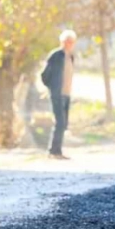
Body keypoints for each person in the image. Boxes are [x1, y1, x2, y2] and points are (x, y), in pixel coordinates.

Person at [40, 30, 76, 160]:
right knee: (60, 122)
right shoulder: (56, 55)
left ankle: (56, 150)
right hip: (57, 93)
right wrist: (52, 88)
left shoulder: (70, 56)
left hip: (66, 93)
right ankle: (54, 152)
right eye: (67, 41)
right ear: (62, 42)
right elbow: (44, 75)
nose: (69, 44)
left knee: (64, 123)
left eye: (71, 42)